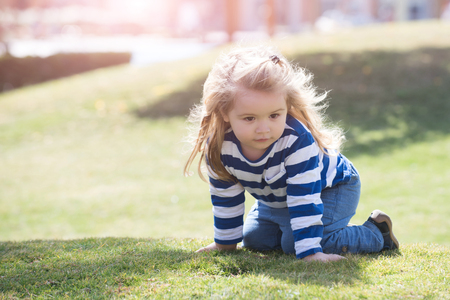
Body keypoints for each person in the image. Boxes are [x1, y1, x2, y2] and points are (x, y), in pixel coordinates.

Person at [184, 46, 399, 262]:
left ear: (286, 106)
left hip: (331, 187)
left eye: (274, 115)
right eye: (249, 118)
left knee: (296, 246)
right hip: (280, 198)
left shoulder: (296, 142)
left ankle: (376, 233)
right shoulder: (220, 145)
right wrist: (224, 245)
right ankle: (312, 230)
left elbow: (304, 198)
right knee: (254, 240)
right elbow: (225, 197)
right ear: (224, 112)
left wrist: (310, 253)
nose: (263, 128)